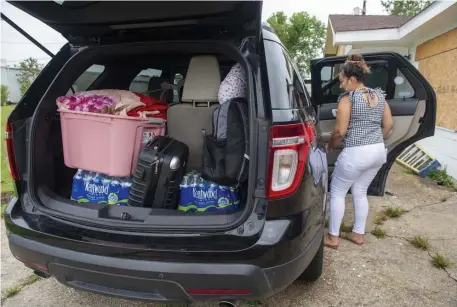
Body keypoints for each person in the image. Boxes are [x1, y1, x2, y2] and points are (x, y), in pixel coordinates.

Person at [324, 54, 394, 249]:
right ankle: (358, 234)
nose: (340, 86)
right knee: (360, 190)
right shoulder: (379, 96)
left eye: (341, 81)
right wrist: (374, 139)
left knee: (337, 191)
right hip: (379, 152)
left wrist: (330, 145)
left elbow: (340, 131)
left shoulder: (349, 98)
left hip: (356, 152)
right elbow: (388, 125)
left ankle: (333, 237)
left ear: (352, 79)